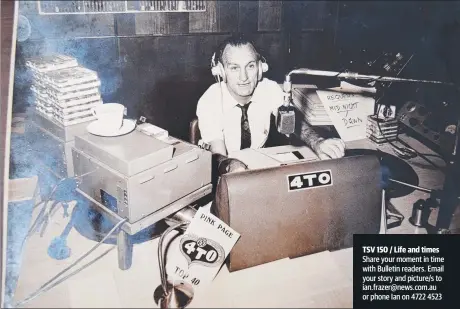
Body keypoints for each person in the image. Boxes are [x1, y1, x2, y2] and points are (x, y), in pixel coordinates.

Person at [196, 34, 345, 174]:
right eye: (234, 68)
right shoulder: (209, 101)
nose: (244, 77)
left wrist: (318, 142)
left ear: (261, 68)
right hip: (228, 169)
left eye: (250, 66)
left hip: (259, 165)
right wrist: (231, 166)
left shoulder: (269, 88)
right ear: (220, 71)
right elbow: (218, 155)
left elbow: (294, 123)